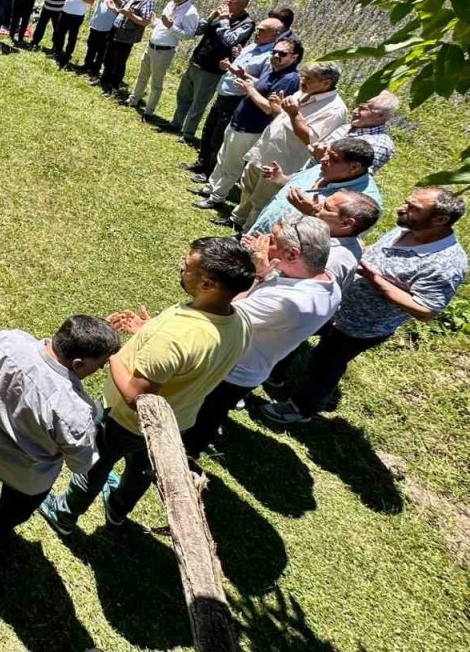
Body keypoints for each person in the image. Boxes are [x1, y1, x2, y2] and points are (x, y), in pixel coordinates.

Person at [38, 237, 254, 534]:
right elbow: (191, 358)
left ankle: (64, 514)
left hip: (124, 421)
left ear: (208, 284)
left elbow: (135, 396)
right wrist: (147, 332)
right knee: (140, 469)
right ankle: (118, 508)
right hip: (177, 421)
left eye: (188, 264)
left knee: (96, 463)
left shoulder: (175, 336)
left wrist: (110, 351)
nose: (181, 264)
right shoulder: (238, 322)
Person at [262, 188, 467, 424]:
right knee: (296, 334)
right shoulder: (407, 228)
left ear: (440, 219)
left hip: (360, 327)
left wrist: (374, 278)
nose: (402, 209)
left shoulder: (446, 265)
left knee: (326, 363)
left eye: (413, 208)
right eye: (406, 202)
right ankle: (276, 375)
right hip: (335, 305)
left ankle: (301, 408)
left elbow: (426, 310)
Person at [0, 316, 120, 545]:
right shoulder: (78, 412)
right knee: (10, 516)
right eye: (100, 363)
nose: (102, 367)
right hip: (29, 478)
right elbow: (80, 464)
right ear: (79, 365)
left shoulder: (8, 342)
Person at [184, 215, 339, 455]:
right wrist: (265, 273)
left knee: (202, 417)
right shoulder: (327, 281)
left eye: (272, 240)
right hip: (255, 364)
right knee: (212, 412)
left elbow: (221, 310)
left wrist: (255, 274)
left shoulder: (289, 302)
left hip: (232, 368)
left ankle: (186, 455)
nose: (263, 242)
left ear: (292, 255)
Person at [193, 38, 306, 212]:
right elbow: (262, 86)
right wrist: (243, 75)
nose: (276, 56)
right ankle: (210, 188)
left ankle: (217, 197)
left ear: (294, 58)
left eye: (282, 54)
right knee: (223, 158)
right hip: (240, 122)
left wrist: (249, 90)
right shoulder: (275, 71)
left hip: (252, 128)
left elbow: (270, 108)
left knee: (232, 165)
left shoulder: (289, 79)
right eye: (274, 52)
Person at [187, 18, 283, 177]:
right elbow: (238, 66)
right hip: (223, 93)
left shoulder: (269, 57)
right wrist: (229, 64)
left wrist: (243, 75)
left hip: (236, 99)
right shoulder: (252, 46)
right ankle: (201, 162)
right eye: (257, 29)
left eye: (262, 31)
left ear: (275, 36)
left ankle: (210, 172)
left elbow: (263, 84)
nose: (257, 33)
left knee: (219, 137)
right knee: (208, 130)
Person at [246, 137, 383, 237]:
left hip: (283, 256)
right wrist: (280, 178)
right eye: (326, 153)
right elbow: (295, 184)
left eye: (333, 158)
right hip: (259, 235)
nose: (323, 159)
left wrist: (312, 213)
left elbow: (341, 240)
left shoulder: (363, 202)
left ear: (354, 167)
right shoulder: (323, 167)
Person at [172, 0, 255, 141]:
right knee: (184, 95)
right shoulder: (220, 15)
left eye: (230, 2)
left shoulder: (246, 23)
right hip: (198, 60)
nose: (226, 4)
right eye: (227, 0)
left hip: (213, 68)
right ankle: (175, 124)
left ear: (242, 5)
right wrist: (211, 17)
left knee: (199, 102)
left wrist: (224, 20)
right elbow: (198, 31)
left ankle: (188, 133)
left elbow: (229, 40)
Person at [126, 0, 198, 118]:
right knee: (142, 76)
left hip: (164, 51)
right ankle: (133, 100)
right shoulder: (171, 4)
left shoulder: (190, 12)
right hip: (151, 45)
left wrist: (171, 27)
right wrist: (156, 22)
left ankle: (149, 111)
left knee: (156, 83)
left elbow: (188, 36)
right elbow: (163, 24)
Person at [311, 91, 399, 174]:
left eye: (362, 109)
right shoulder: (346, 127)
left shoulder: (379, 144)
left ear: (379, 116)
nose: (355, 111)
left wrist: (323, 157)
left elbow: (355, 175)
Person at [100, 0, 156, 95]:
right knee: (108, 57)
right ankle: (104, 81)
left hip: (127, 35)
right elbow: (124, 8)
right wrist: (116, 0)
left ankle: (113, 87)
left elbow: (145, 21)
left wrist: (130, 15)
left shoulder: (148, 0)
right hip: (116, 29)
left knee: (119, 62)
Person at [81, 0, 131, 76]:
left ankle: (95, 71)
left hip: (110, 25)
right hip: (98, 20)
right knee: (91, 45)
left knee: (102, 50)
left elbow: (128, 8)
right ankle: (86, 65)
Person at [53, 0, 98, 68]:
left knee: (72, 37)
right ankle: (58, 52)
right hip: (65, 10)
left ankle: (67, 56)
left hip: (77, 14)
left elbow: (92, 1)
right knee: (59, 33)